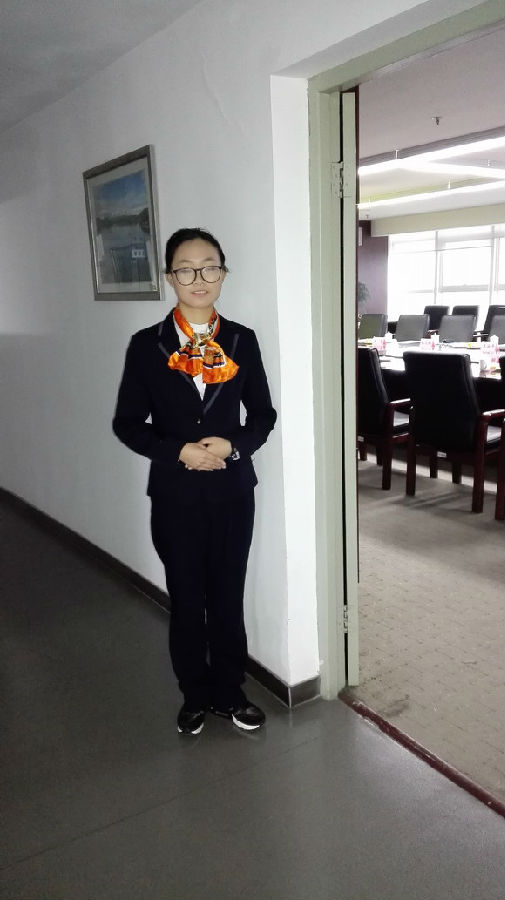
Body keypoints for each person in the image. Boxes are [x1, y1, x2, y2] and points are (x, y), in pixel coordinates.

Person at [113, 227, 276, 735]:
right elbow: (127, 424)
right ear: (170, 277)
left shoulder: (242, 340)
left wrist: (234, 445)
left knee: (227, 595)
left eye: (209, 267)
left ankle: (230, 693)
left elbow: (263, 415)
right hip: (175, 494)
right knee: (187, 598)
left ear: (223, 274)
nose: (199, 278)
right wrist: (177, 450)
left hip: (232, 492)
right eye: (186, 269)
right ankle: (194, 694)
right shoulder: (147, 346)